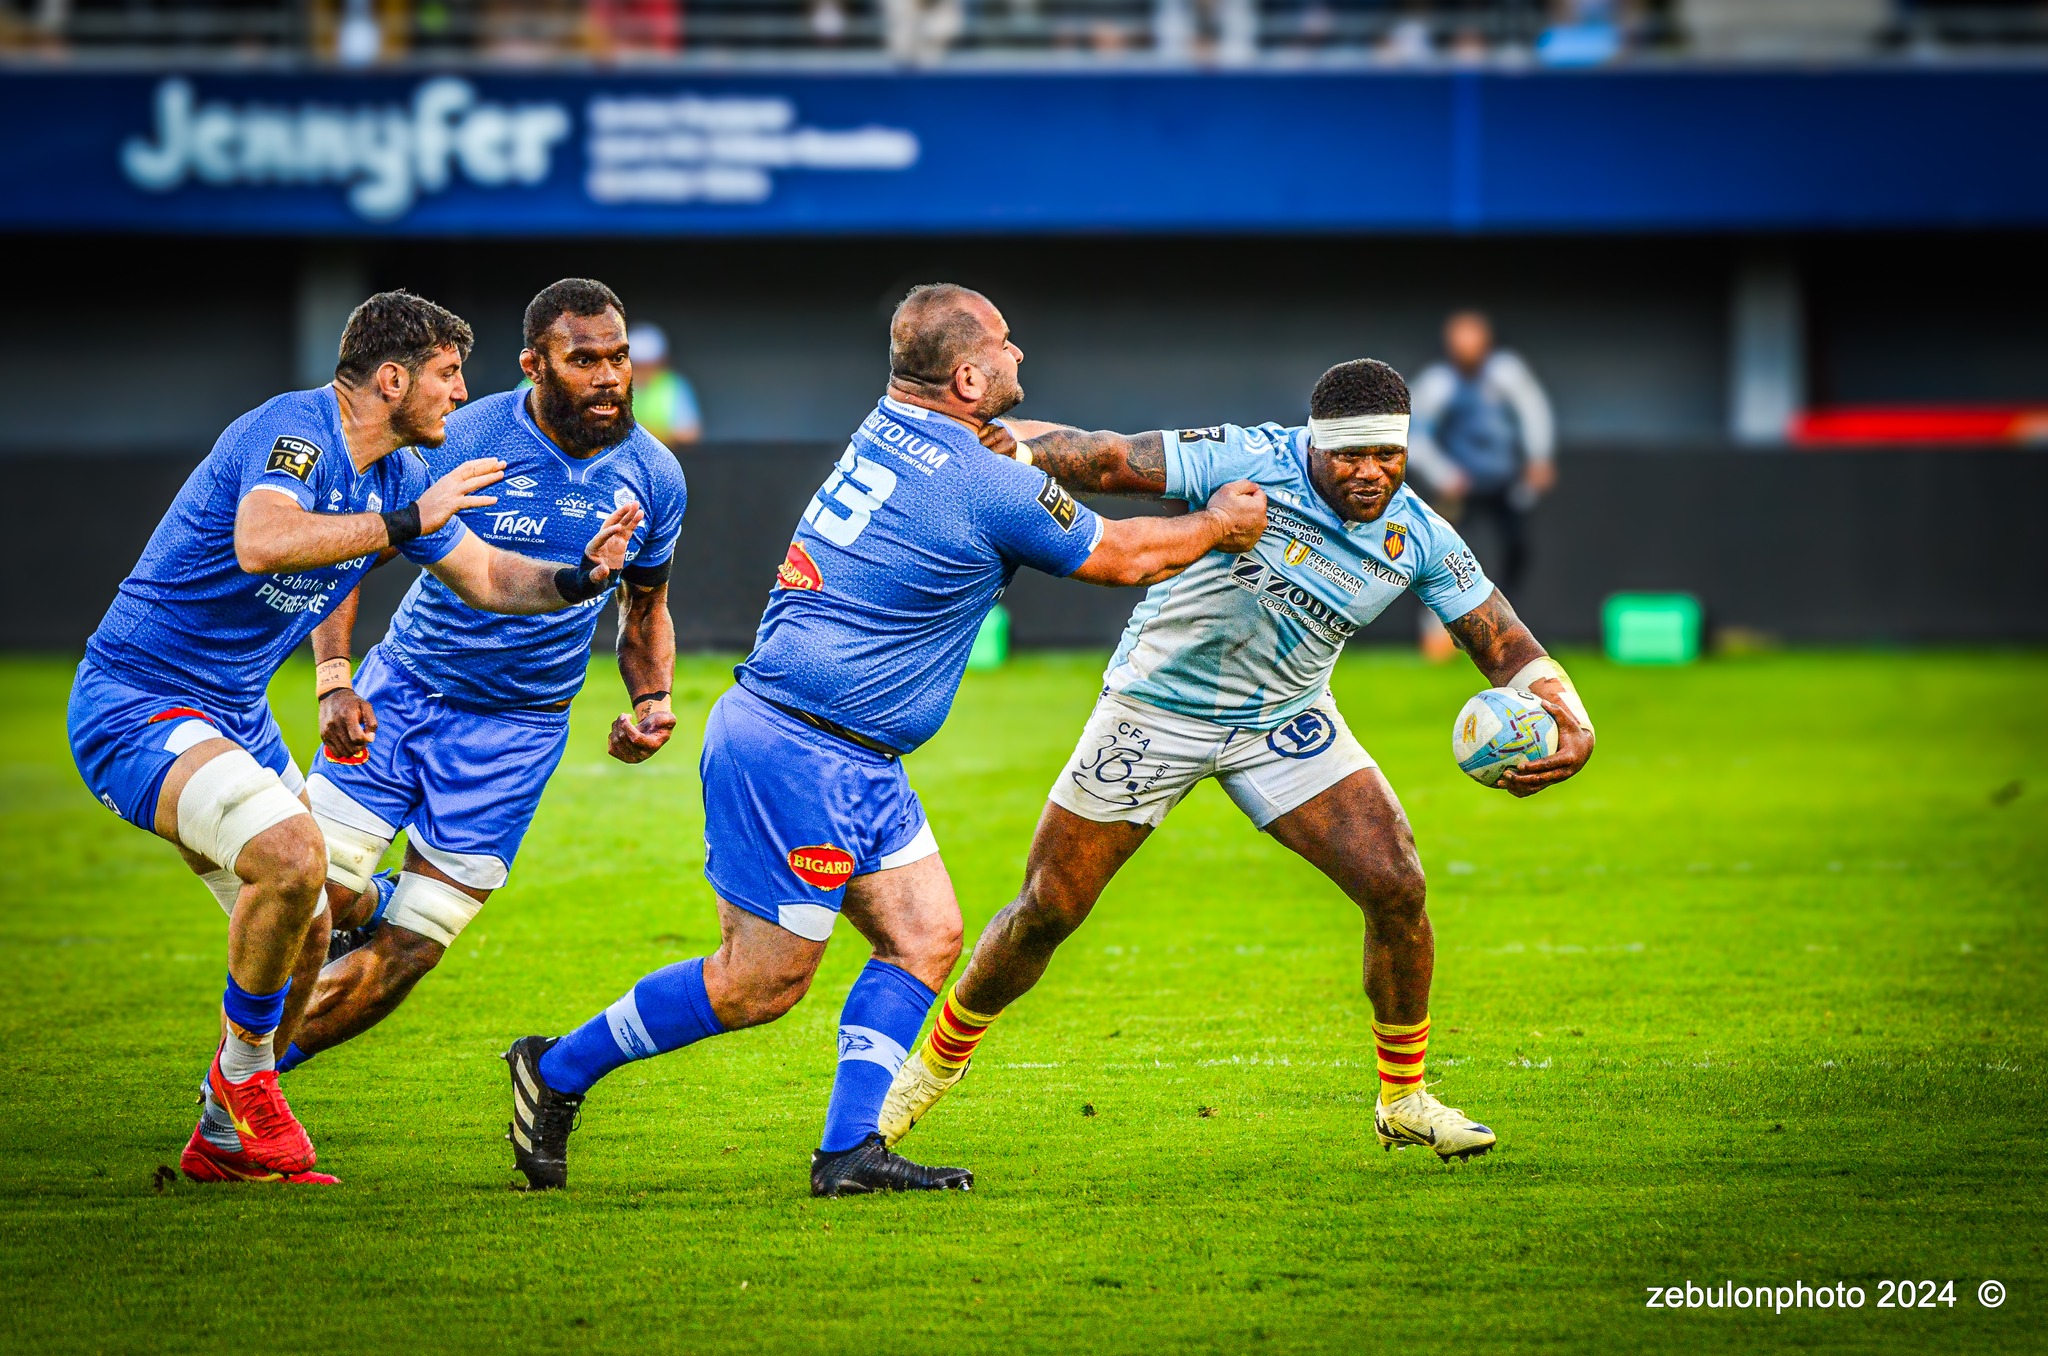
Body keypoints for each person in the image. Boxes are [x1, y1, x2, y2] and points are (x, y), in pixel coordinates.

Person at [500, 283, 1268, 1197]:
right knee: (759, 984)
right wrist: (1223, 524)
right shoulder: (986, 480)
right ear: (972, 376)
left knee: (927, 936)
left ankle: (848, 1153)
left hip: (847, 750)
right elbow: (1126, 557)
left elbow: (1021, 458)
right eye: (1007, 343)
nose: (1021, 355)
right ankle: (555, 1070)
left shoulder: (895, 421)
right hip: (799, 750)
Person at [879, 358, 1596, 1166]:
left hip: (1285, 724)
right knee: (1047, 910)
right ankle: (925, 1074)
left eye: (1386, 457)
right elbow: (1113, 458)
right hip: (1154, 713)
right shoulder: (1250, 457)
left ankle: (1403, 1099)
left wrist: (1574, 721)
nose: (1369, 474)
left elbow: (1502, 641)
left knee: (1397, 885)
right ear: (1315, 445)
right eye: (1349, 456)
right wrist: (1008, 453)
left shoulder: (1420, 535)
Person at [67, 290, 642, 1185]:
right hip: (136, 702)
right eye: (448, 376)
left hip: (234, 712)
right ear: (391, 378)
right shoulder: (295, 432)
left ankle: (223, 1140)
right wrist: (403, 534)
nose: (459, 395)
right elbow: (264, 540)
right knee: (296, 860)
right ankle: (249, 1082)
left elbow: (485, 574)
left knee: (313, 916)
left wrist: (578, 579)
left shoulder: (402, 471)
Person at [271, 280, 685, 1077]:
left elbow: (647, 610)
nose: (609, 376)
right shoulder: (459, 438)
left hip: (519, 732)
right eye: (584, 359)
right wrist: (332, 678)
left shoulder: (655, 476)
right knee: (314, 896)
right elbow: (353, 552)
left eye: (619, 357)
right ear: (535, 364)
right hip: (401, 695)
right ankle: (356, 923)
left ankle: (241, 1088)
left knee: (410, 951)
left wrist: (653, 700)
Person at [1408, 311, 1556, 660]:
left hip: (1504, 481)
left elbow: (1533, 411)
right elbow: (1414, 434)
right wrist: (1444, 474)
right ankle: (1437, 633)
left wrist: (1538, 457)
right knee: (1444, 556)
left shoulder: (1506, 373)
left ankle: (1504, 632)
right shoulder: (1437, 383)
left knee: (1514, 551)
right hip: (1461, 486)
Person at [624, 322, 702, 447]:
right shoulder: (616, 386)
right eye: (638, 364)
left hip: (666, 460)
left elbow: (690, 434)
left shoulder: (674, 385)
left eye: (649, 364)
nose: (643, 371)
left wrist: (655, 434)